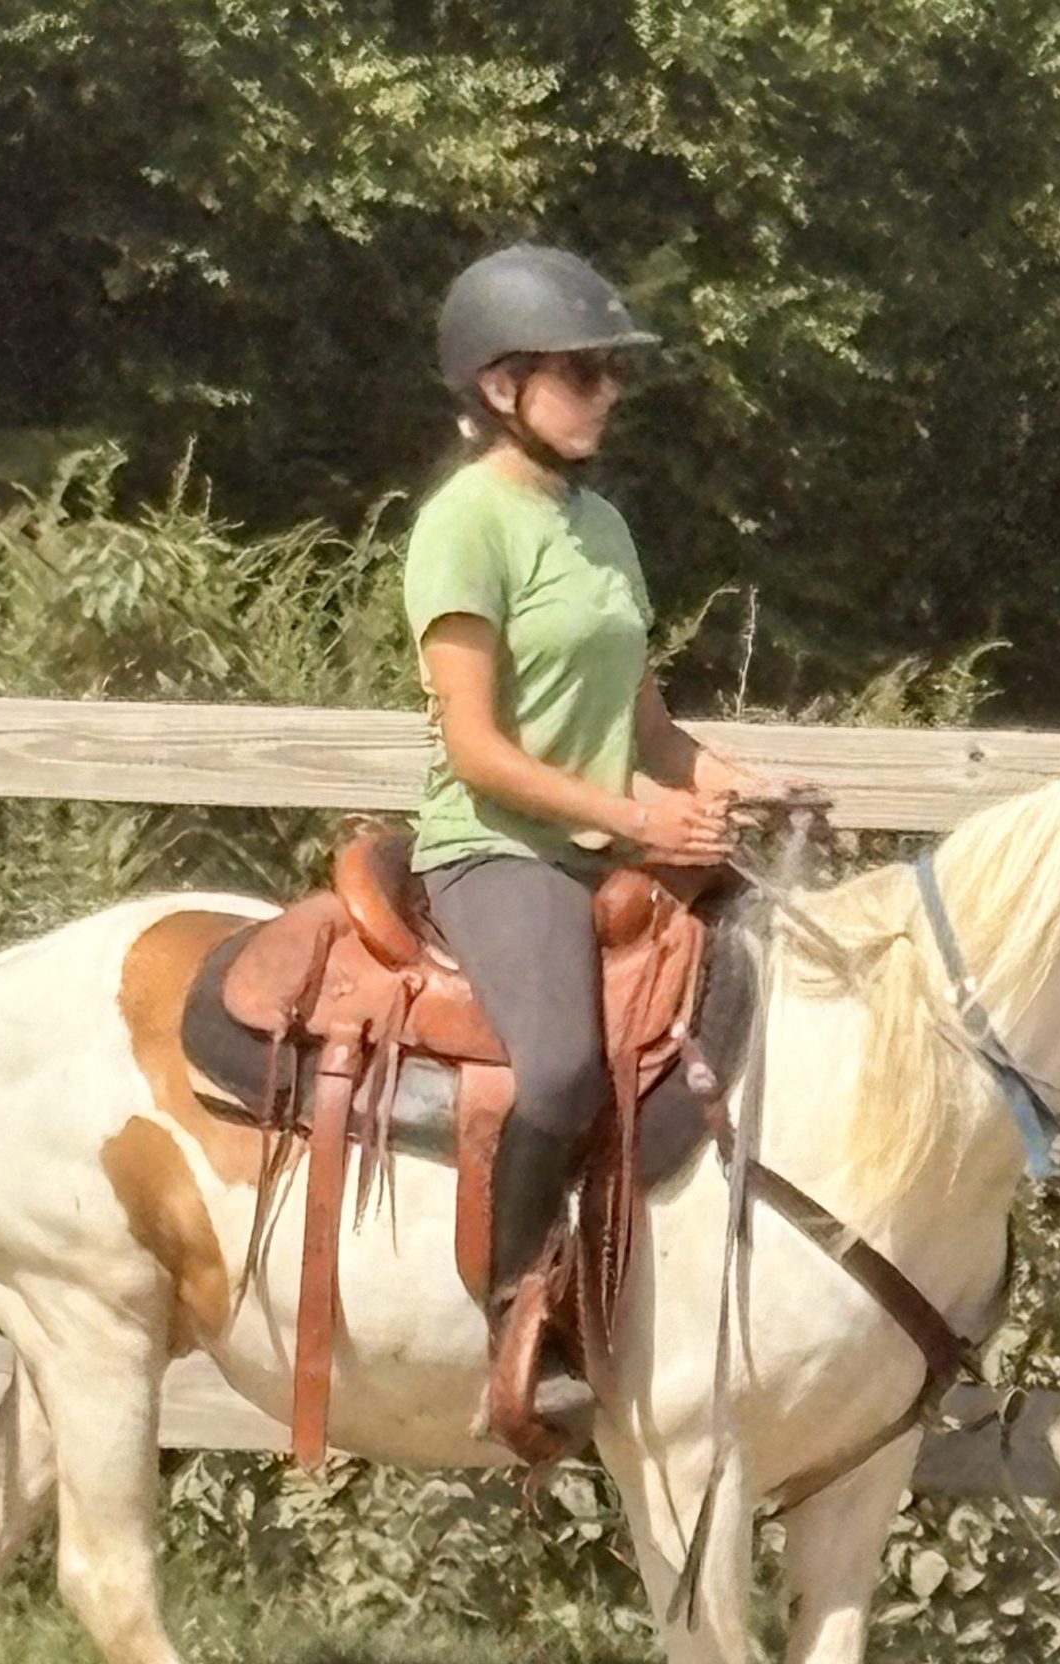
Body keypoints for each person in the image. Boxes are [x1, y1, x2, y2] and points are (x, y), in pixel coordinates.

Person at [402, 242, 783, 1453]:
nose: (607, 395)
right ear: (501, 386)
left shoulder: (602, 523)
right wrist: (634, 820)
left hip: (605, 843)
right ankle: (519, 1313)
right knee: (562, 1065)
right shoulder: (464, 527)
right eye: (583, 373)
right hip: (499, 849)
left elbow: (646, 720)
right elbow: (476, 748)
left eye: (614, 375)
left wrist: (733, 784)